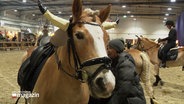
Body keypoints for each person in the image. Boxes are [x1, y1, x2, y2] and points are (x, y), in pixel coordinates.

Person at [89, 39, 146, 104]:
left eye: (109, 48)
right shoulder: (113, 60)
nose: (107, 51)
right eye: (107, 48)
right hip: (121, 95)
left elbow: (124, 88)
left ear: (116, 49)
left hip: (130, 99)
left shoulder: (126, 63)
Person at [38, 0, 119, 31]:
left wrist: (114, 24)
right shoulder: (71, 25)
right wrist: (45, 12)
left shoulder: (90, 25)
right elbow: (54, 19)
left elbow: (104, 25)